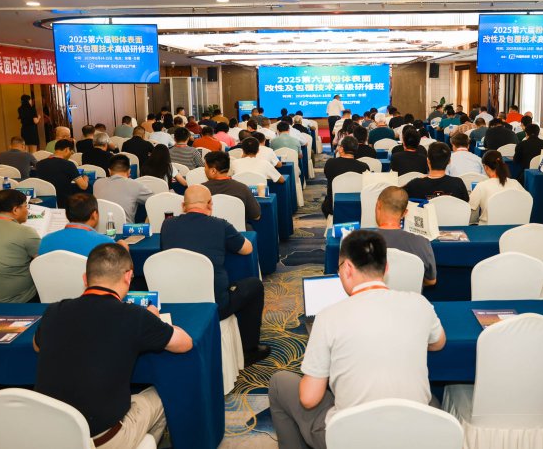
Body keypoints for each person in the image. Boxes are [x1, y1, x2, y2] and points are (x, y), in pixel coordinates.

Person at [269, 230, 446, 449]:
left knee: (279, 383)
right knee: (433, 402)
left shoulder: (328, 317)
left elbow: (308, 398)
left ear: (347, 269)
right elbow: (438, 343)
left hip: (351, 439)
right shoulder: (420, 304)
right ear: (386, 268)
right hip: (411, 435)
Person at [33, 243, 192, 449]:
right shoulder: (134, 317)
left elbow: (37, 346)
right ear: (128, 276)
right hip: (103, 440)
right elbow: (185, 343)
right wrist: (154, 320)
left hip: (50, 436)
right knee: (162, 395)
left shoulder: (54, 310)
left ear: (85, 279)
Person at [160, 185, 270, 364]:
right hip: (215, 305)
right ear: (210, 204)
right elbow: (247, 249)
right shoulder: (220, 225)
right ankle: (248, 349)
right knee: (254, 286)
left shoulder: (167, 224)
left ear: (183, 206)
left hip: (174, 302)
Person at [375, 187, 437, 286]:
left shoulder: (360, 242)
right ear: (405, 213)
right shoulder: (421, 243)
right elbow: (431, 281)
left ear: (378, 205)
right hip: (410, 295)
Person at [39, 193, 122, 256]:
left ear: (66, 215)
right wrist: (122, 251)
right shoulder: (106, 244)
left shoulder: (46, 241)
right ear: (94, 215)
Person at [203, 151, 261, 226]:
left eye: (205, 167)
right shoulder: (242, 188)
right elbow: (256, 216)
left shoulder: (200, 190)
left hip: (210, 230)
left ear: (213, 171)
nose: (204, 170)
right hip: (238, 231)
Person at [469, 150, 524, 224]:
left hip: (487, 228)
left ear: (486, 167)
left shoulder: (481, 186)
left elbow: (469, 208)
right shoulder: (515, 183)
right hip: (512, 227)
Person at [94, 155, 153, 223]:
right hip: (125, 229)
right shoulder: (135, 185)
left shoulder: (97, 183)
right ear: (129, 171)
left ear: (109, 171)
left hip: (99, 228)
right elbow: (155, 200)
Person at [404, 142, 469, 202]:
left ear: (428, 161)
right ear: (449, 161)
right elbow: (465, 203)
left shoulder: (414, 184)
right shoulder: (458, 184)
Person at [322, 136, 370, 217]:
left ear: (341, 149)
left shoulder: (330, 163)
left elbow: (328, 176)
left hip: (333, 206)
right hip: (358, 207)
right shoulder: (364, 167)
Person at [36, 139, 88, 208]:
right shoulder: (69, 164)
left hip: (45, 203)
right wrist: (85, 178)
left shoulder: (39, 164)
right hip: (64, 203)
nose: (71, 154)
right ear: (67, 149)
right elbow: (83, 186)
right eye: (71, 151)